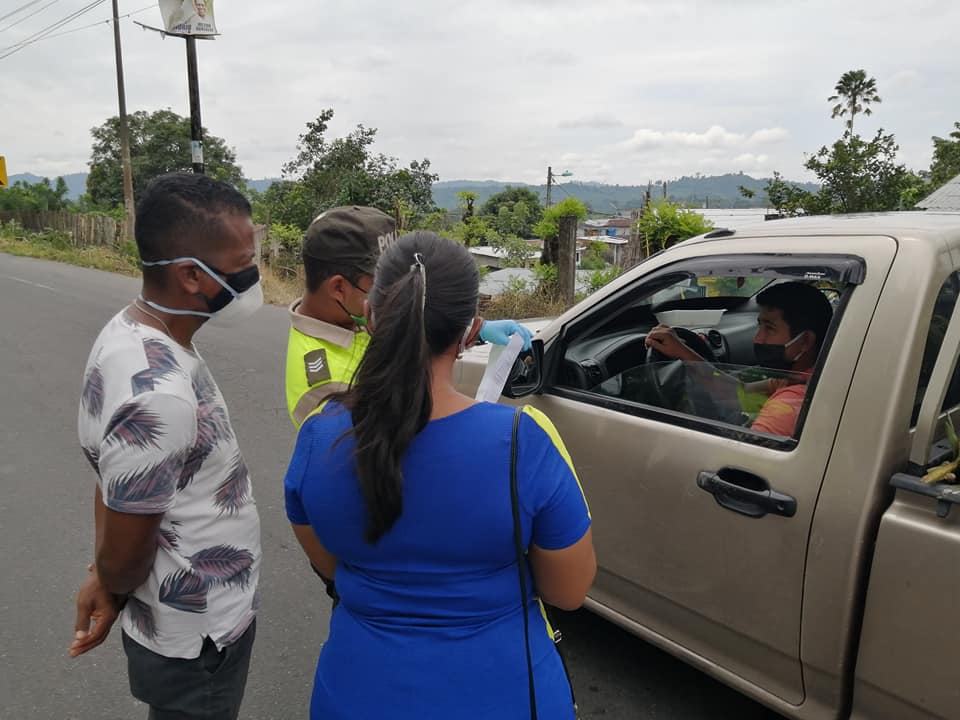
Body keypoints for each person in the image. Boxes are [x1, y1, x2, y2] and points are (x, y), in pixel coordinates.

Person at [284, 231, 596, 719]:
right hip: (504, 693)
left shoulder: (318, 438)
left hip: (357, 692)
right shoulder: (524, 442)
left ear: (371, 317)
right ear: (470, 331)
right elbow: (568, 591)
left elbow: (331, 565)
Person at [70, 172, 262, 720]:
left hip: (191, 620)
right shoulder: (158, 396)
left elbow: (118, 485)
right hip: (197, 636)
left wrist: (101, 573)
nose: (253, 275)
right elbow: (127, 558)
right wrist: (110, 580)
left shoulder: (132, 331)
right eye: (244, 263)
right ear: (191, 275)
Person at [285, 205, 534, 429]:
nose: (401, 292)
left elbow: (405, 329)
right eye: (383, 284)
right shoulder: (324, 387)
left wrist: (467, 328)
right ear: (339, 288)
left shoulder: (349, 315)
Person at [645, 281, 834, 437]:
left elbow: (744, 462)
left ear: (805, 341)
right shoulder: (796, 377)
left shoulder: (789, 406)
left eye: (769, 328)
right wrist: (684, 353)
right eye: (759, 326)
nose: (757, 338)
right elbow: (737, 392)